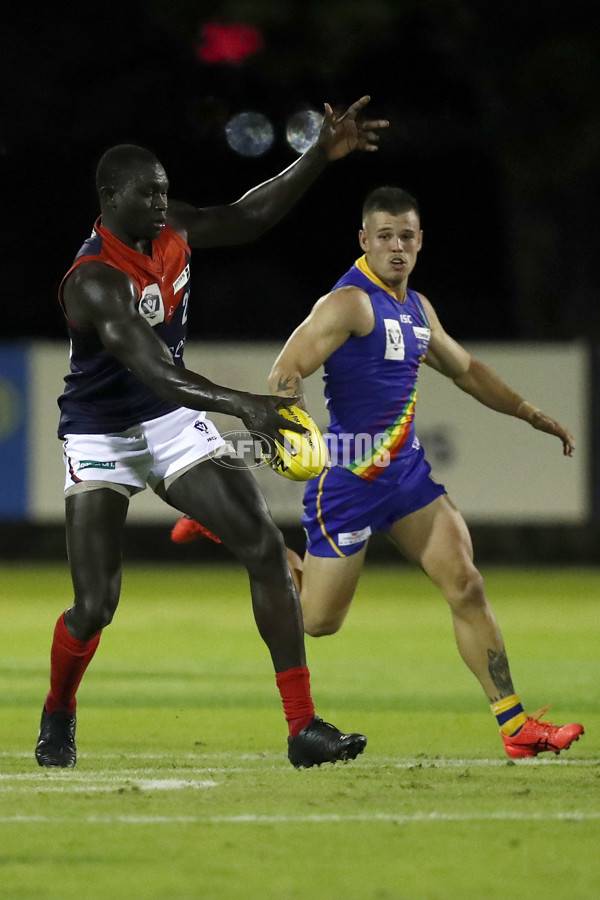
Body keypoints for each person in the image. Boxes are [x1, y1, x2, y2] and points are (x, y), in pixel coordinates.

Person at [35, 97, 390, 771]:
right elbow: (152, 366)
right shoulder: (93, 281)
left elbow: (250, 215)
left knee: (260, 543)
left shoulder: (171, 230)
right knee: (95, 604)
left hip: (169, 422)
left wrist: (318, 154)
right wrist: (245, 406)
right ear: (111, 198)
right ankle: (58, 711)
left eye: (167, 191)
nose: (164, 204)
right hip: (103, 435)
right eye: (149, 194)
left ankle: (303, 728)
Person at [174, 186, 584, 759]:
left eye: (407, 237)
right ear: (364, 240)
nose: (396, 247)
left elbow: (465, 369)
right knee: (318, 623)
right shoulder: (349, 303)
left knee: (465, 583)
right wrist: (296, 431)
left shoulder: (417, 309)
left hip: (407, 477)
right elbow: (285, 371)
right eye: (385, 236)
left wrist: (529, 412)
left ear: (420, 243)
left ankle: (515, 727)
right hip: (347, 480)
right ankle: (240, 533)